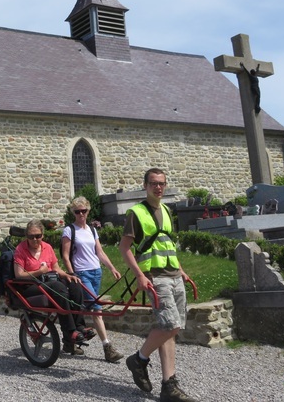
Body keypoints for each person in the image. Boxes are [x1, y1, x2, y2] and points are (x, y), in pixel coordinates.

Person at [119, 168, 196, 402]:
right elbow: (124, 248)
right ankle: (139, 359)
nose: (158, 187)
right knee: (169, 325)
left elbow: (167, 244)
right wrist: (141, 275)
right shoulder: (136, 212)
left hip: (173, 274)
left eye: (162, 183)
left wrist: (181, 270)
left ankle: (168, 385)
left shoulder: (165, 210)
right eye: (153, 183)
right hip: (155, 277)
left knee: (170, 329)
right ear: (145, 185)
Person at [13, 219, 94, 355]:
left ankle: (79, 326)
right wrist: (39, 272)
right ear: (26, 236)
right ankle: (70, 333)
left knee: (75, 284)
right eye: (31, 236)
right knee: (58, 288)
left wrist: (68, 275)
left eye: (38, 236)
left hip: (49, 281)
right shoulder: (21, 249)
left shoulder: (47, 247)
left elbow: (56, 268)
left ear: (42, 235)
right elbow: (19, 274)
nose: (35, 239)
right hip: (30, 285)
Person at [61, 196, 124, 362]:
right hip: (81, 273)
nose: (81, 214)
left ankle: (69, 341)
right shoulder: (69, 230)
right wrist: (72, 274)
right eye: (77, 211)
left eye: (84, 211)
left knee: (83, 307)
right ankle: (107, 347)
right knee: (96, 309)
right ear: (73, 213)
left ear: (88, 211)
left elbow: (100, 252)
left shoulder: (92, 229)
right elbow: (66, 256)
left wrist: (112, 268)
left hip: (96, 272)